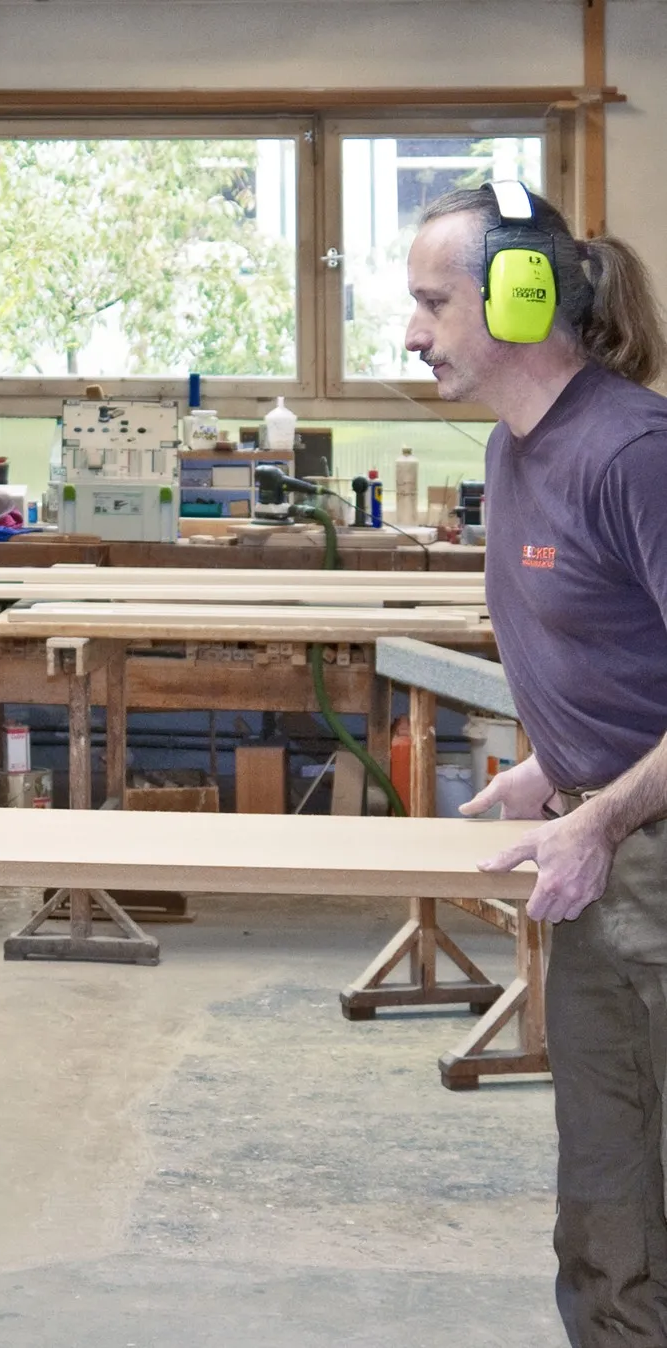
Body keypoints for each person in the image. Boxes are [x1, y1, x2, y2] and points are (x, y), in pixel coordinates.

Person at [403, 180, 667, 1346]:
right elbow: (615, 650)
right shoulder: (515, 450)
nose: (410, 333)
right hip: (603, 851)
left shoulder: (634, 454)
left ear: (519, 298)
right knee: (606, 1196)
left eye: (432, 302)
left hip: (644, 856)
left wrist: (599, 817)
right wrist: (552, 768)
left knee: (644, 1180)